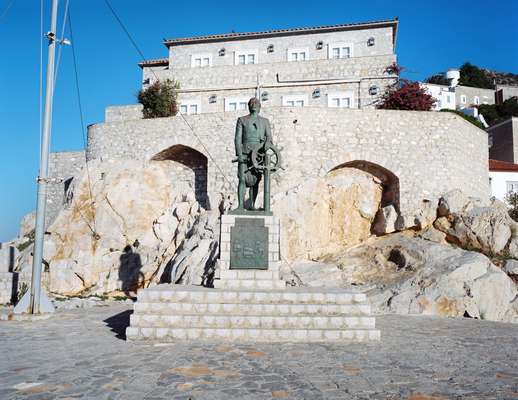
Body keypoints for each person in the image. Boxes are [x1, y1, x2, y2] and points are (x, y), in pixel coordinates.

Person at [234, 97, 272, 210]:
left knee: (256, 181)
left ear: (260, 107)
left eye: (256, 103)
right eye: (252, 103)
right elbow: (237, 138)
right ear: (249, 106)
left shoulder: (265, 121)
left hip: (258, 155)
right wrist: (239, 154)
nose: (254, 104)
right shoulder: (242, 120)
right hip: (245, 153)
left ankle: (252, 205)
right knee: (242, 179)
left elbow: (269, 137)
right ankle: (240, 206)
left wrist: (267, 143)